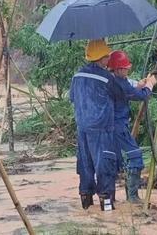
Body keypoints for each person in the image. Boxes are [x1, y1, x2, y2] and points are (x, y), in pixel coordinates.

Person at [69, 39, 117, 211]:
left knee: (85, 164)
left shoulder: (77, 75)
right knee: (104, 163)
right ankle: (106, 204)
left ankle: (86, 201)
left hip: (82, 127)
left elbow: (72, 98)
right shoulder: (106, 78)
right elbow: (120, 96)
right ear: (102, 57)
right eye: (107, 56)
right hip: (102, 128)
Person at [107, 50, 157, 203]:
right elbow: (142, 96)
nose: (128, 70)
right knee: (136, 158)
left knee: (113, 163)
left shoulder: (112, 80)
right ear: (118, 69)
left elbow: (129, 91)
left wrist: (140, 85)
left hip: (110, 128)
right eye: (126, 68)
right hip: (119, 128)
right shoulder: (120, 83)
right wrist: (150, 85)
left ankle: (110, 200)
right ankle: (133, 198)